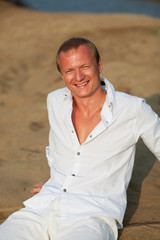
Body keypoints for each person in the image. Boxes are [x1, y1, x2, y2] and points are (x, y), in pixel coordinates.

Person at [0, 37, 160, 240]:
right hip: (43, 206)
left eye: (85, 66)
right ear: (61, 75)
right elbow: (56, 147)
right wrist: (58, 179)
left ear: (99, 65)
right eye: (69, 71)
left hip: (91, 216)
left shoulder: (133, 109)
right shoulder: (55, 101)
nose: (78, 77)